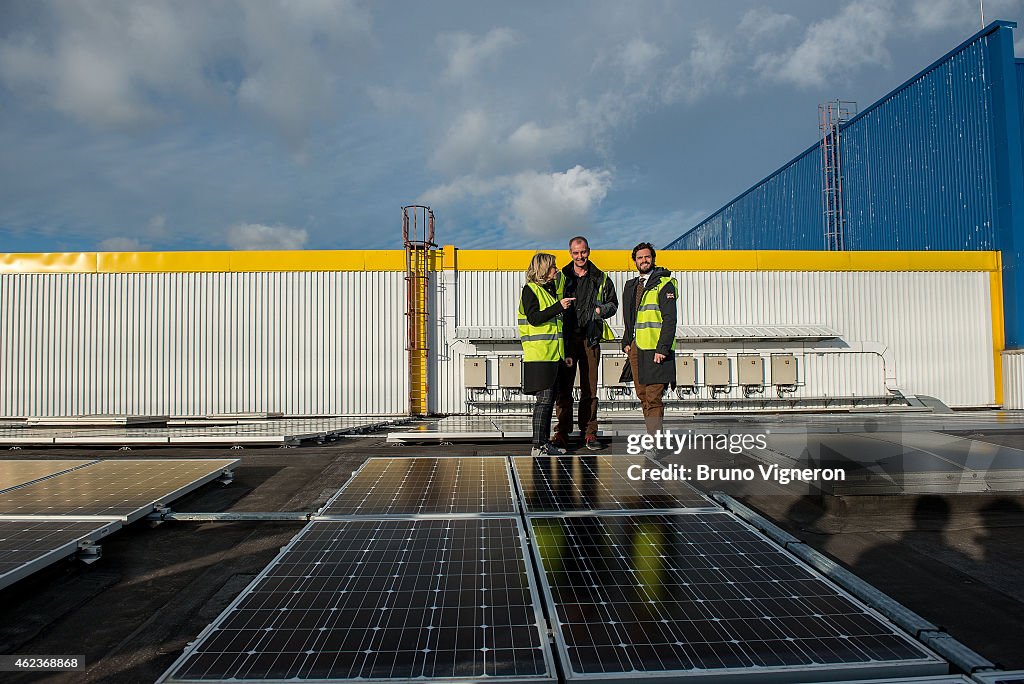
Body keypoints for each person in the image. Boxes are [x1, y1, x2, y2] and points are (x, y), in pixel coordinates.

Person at [553, 236, 618, 451]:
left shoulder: (601, 277)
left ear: (588, 251)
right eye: (575, 253)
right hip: (568, 341)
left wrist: (602, 310)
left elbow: (613, 304)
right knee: (564, 388)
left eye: (583, 252)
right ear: (570, 253)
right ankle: (562, 433)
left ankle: (589, 433)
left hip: (590, 340)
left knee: (589, 388)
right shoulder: (561, 277)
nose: (580, 256)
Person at [518, 252, 576, 456]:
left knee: (549, 401)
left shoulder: (548, 291)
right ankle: (538, 445)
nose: (556, 270)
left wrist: (564, 353)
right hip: (539, 356)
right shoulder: (530, 290)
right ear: (543, 269)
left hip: (553, 356)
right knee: (543, 401)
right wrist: (558, 307)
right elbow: (534, 318)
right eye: (553, 267)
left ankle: (542, 443)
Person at [621, 242, 677, 438]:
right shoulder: (631, 286)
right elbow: (629, 316)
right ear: (634, 261)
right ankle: (653, 437)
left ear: (653, 259)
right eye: (640, 257)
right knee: (643, 395)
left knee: (653, 397)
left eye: (647, 257)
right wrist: (626, 342)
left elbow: (670, 319)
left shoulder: (664, 283)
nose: (644, 260)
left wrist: (663, 348)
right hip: (637, 348)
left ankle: (655, 441)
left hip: (656, 349)